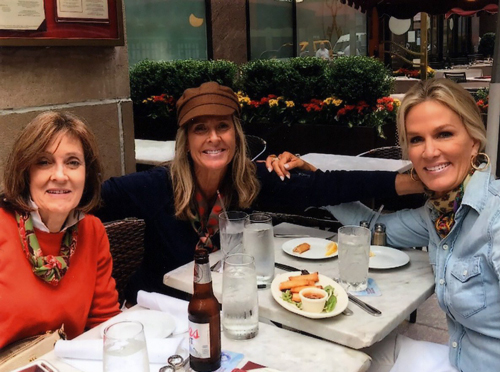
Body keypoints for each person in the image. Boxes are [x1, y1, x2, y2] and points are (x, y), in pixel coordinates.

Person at [98, 81, 422, 305]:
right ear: (187, 140)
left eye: (222, 126)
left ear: (235, 134)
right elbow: (94, 199)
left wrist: (410, 181)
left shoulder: (250, 181)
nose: (213, 138)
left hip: (227, 307)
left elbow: (328, 187)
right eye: (200, 129)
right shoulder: (157, 185)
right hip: (159, 309)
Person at [325, 78, 500, 372]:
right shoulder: (440, 214)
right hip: (462, 365)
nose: (429, 151)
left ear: (474, 141)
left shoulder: (495, 217)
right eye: (417, 139)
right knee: (341, 360)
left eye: (444, 134)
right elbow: (372, 229)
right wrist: (315, 185)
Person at [0, 111, 120, 348]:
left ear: (87, 173)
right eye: (44, 162)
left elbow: (104, 323)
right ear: (25, 172)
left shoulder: (92, 231)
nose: (60, 175)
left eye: (73, 162)